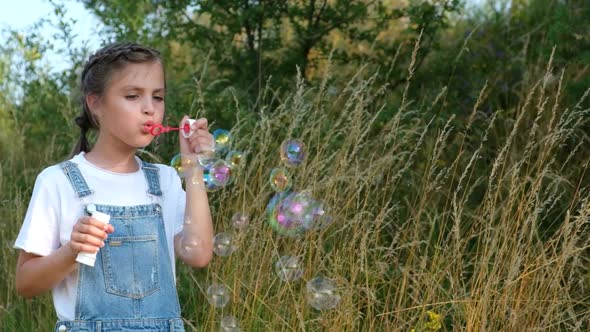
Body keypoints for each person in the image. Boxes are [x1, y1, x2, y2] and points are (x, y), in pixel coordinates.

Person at [13, 42, 214, 332]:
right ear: (95, 104)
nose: (150, 109)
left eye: (158, 97)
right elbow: (25, 283)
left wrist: (193, 166)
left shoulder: (165, 180)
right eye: (133, 96)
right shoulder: (58, 181)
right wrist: (70, 252)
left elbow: (198, 254)